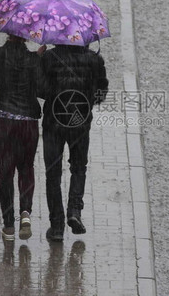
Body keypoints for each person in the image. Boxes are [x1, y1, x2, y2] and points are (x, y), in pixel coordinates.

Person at [41, 43, 109, 241]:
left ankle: (56, 226)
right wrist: (84, 100)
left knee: (52, 173)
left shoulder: (50, 58)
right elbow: (101, 92)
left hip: (53, 122)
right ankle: (74, 211)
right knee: (78, 168)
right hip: (80, 123)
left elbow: (39, 88)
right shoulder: (95, 60)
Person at [0, 34, 46, 241]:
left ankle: (9, 226)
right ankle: (26, 213)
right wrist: (38, 59)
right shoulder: (33, 60)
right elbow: (40, 89)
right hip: (27, 121)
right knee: (26, 167)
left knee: (5, 171)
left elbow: (7, 75)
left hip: (1, 119)